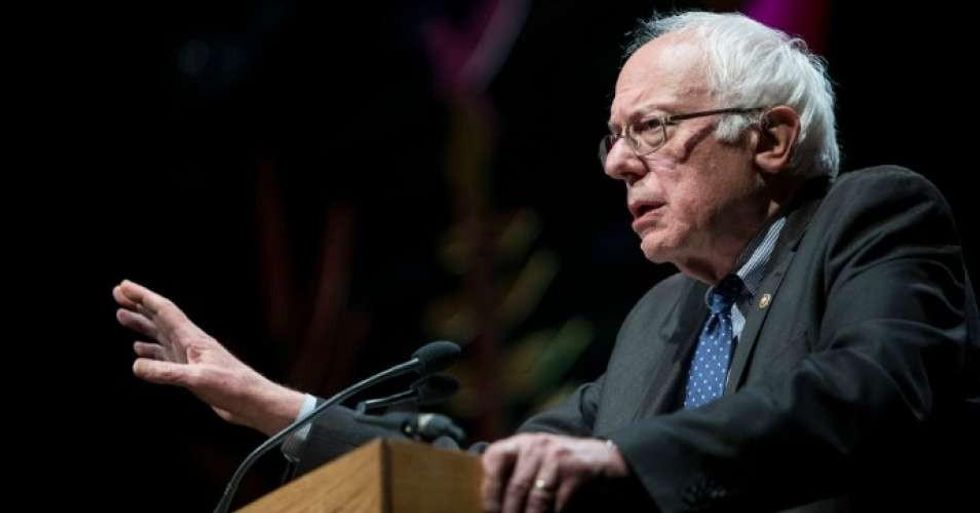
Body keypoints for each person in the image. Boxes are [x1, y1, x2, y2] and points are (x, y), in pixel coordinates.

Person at [114, 11, 979, 513]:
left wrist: (627, 459)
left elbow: (867, 392)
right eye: (613, 136)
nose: (616, 161)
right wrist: (271, 406)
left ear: (770, 138)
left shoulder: (871, 217)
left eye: (652, 128)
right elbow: (489, 472)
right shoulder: (661, 321)